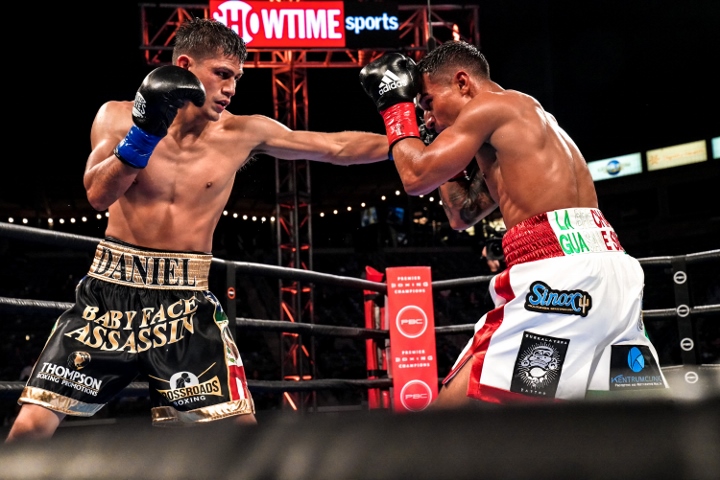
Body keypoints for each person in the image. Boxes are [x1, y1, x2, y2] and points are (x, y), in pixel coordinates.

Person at [6, 17, 388, 443]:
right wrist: (144, 135)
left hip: (185, 303)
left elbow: (335, 147)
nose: (231, 89)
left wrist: (410, 139)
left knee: (241, 438)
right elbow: (97, 194)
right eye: (222, 74)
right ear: (185, 66)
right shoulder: (116, 116)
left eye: (237, 78)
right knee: (30, 427)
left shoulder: (243, 131)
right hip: (107, 296)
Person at [359, 41, 668, 407]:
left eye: (428, 103)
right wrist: (434, 144)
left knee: (456, 408)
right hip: (610, 272)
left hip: (557, 277)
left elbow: (415, 176)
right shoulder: (523, 127)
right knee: (618, 414)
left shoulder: (490, 106)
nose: (426, 118)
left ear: (462, 83)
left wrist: (395, 108)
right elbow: (462, 214)